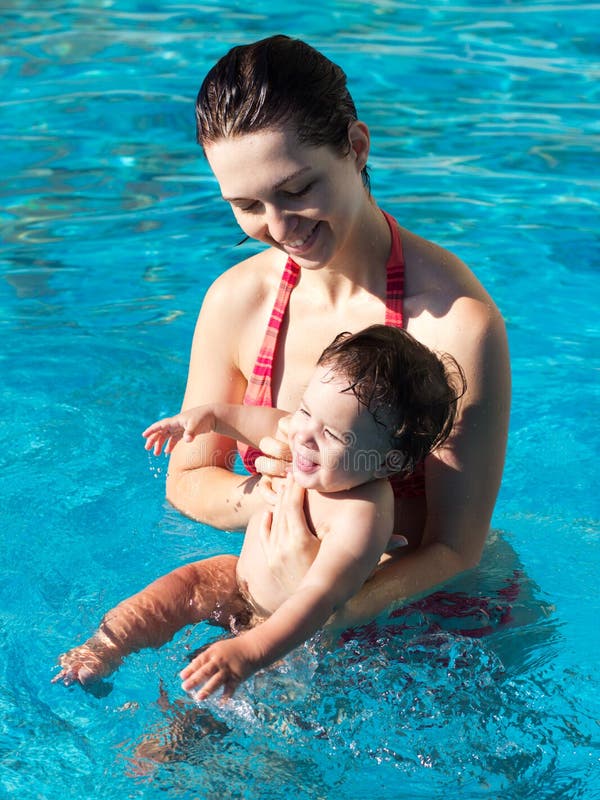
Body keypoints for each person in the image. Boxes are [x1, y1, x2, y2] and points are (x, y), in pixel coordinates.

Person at [159, 34, 510, 630]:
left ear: (355, 146)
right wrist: (276, 497)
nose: (278, 227)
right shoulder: (237, 302)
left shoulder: (455, 324)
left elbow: (455, 548)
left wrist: (324, 614)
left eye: (297, 190)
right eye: (246, 205)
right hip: (276, 593)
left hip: (428, 616)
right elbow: (189, 478)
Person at [53, 325, 464, 698]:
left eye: (333, 433)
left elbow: (320, 599)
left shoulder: (362, 513)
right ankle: (105, 647)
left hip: (291, 636)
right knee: (187, 582)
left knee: (219, 705)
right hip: (238, 583)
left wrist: (252, 651)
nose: (303, 435)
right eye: (306, 410)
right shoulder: (306, 438)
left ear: (387, 462)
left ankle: (179, 741)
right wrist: (206, 418)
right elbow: (260, 421)